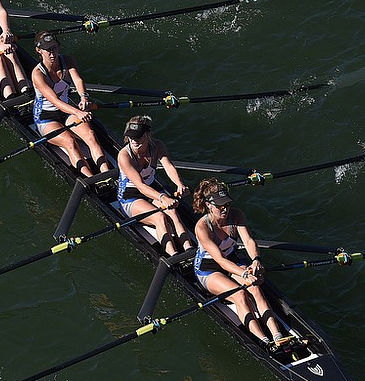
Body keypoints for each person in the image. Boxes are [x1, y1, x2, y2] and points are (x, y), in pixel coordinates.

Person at [192, 178, 286, 346]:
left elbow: (249, 241)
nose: (225, 209)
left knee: (255, 288)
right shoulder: (202, 227)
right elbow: (220, 260)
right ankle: (263, 341)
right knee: (239, 294)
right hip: (208, 269)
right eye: (220, 206)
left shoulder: (236, 215)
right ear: (208, 205)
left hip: (232, 260)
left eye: (227, 204)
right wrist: (244, 273)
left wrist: (256, 260)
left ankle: (278, 336)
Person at [31, 31, 113, 177]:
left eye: (54, 48)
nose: (52, 53)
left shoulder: (67, 61)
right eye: (48, 49)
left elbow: (79, 81)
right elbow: (55, 100)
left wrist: (84, 98)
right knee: (70, 142)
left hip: (67, 112)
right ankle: (91, 181)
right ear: (39, 50)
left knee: (91, 135)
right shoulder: (38, 74)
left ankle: (106, 176)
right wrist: (78, 112)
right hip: (46, 118)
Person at [116, 115, 194, 256]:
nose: (134, 141)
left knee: (173, 213)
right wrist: (163, 198)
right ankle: (174, 256)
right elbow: (140, 186)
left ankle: (189, 251)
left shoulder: (157, 146)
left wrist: (179, 185)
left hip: (152, 191)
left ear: (147, 134)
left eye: (138, 137)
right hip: (130, 198)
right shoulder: (124, 155)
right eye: (131, 137)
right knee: (160, 217)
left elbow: (168, 167)